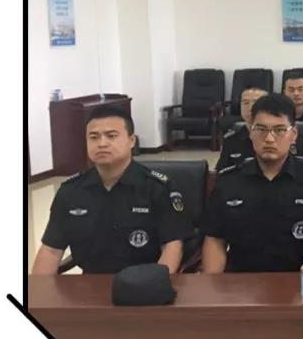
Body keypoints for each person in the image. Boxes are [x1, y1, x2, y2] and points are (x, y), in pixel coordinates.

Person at [32, 106, 193, 275]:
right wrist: (38, 289)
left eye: (111, 136)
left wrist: (157, 283)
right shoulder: (70, 191)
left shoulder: (157, 188)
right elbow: (51, 250)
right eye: (94, 137)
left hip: (144, 281)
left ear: (131, 141)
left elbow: (172, 246)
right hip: (89, 283)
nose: (102, 143)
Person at [201, 94, 303, 273]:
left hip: (298, 280)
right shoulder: (228, 181)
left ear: (294, 134)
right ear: (250, 132)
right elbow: (215, 239)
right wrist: (213, 284)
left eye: (279, 130)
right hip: (240, 283)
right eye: (261, 129)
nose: (269, 139)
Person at [215, 86, 269, 172]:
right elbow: (221, 172)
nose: (250, 108)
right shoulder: (231, 139)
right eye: (245, 103)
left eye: (256, 102)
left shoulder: (279, 136)